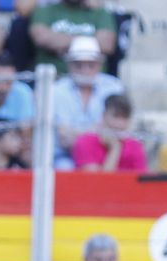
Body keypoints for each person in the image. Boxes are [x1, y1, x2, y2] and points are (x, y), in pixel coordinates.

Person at [51, 34, 119, 169]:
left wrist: (78, 137)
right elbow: (63, 138)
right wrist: (94, 134)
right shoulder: (56, 91)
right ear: (69, 65)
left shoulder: (114, 87)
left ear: (99, 65)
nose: (85, 70)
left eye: (90, 65)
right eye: (79, 65)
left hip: (102, 156)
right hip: (65, 158)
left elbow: (115, 129)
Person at [29, 0, 114, 74]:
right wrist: (90, 42)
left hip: (94, 81)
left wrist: (60, 41)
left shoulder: (100, 13)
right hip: (55, 79)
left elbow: (106, 45)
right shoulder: (45, 10)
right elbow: (42, 38)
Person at [69, 91, 143, 172]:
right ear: (104, 115)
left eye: (125, 118)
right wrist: (115, 149)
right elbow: (97, 182)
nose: (119, 124)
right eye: (116, 116)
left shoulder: (135, 146)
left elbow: (141, 181)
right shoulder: (85, 142)